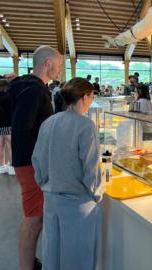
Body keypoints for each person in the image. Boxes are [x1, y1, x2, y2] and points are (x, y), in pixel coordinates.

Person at [32, 77, 103, 270]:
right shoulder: (86, 125)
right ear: (85, 97)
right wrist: (97, 194)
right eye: (92, 96)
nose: (92, 100)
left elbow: (36, 158)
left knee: (52, 254)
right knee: (78, 259)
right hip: (78, 203)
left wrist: (44, 183)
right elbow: (91, 167)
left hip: (51, 199)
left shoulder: (49, 122)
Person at [9, 45, 63, 270]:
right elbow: (23, 130)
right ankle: (26, 266)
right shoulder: (35, 91)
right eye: (58, 66)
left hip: (29, 162)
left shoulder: (29, 87)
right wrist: (40, 162)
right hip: (31, 164)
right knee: (34, 219)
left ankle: (30, 262)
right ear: (47, 63)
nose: (60, 71)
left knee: (36, 216)